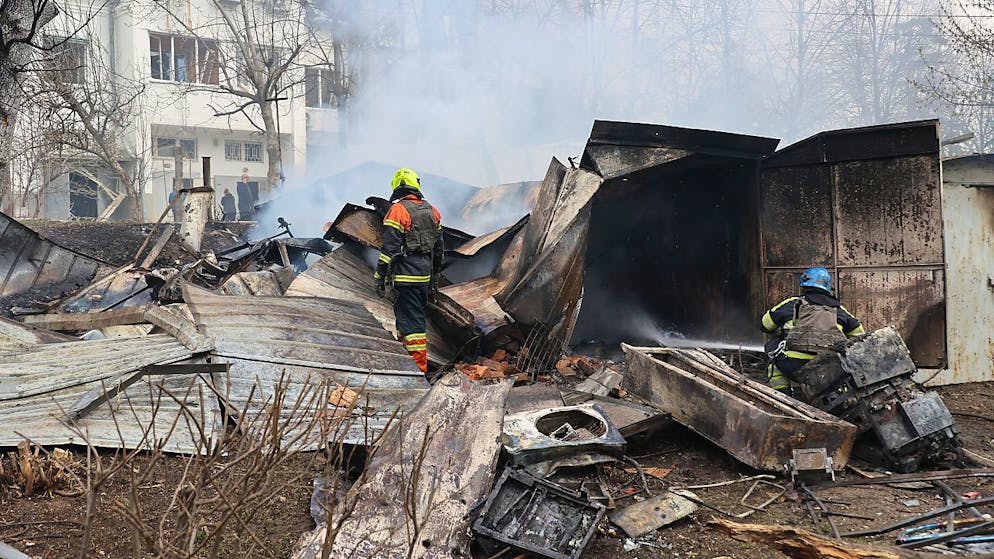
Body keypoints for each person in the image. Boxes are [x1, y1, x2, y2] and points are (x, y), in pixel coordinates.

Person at [373, 168, 443, 373]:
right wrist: (435, 278)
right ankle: (406, 366)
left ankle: (417, 372)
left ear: (398, 187)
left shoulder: (398, 211)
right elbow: (439, 250)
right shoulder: (433, 211)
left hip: (405, 278)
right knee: (407, 323)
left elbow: (389, 250)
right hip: (423, 278)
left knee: (412, 328)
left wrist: (379, 276)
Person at [760, 267, 865, 392]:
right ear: (827, 286)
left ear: (804, 284)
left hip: (792, 366)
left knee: (772, 348)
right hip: (828, 369)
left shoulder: (792, 303)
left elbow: (765, 325)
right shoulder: (839, 310)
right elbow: (859, 336)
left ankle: (782, 394)